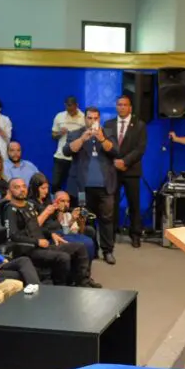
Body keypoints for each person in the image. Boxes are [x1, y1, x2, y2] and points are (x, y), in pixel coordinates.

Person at [6, 177, 97, 287]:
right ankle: (60, 287)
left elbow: (36, 227)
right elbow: (13, 236)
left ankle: (83, 283)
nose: (22, 189)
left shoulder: (28, 207)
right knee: (63, 257)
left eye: (23, 186)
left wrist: (51, 234)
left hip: (43, 244)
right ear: (10, 191)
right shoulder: (10, 210)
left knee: (80, 248)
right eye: (17, 187)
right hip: (28, 249)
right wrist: (37, 242)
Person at [68, 106, 119, 263]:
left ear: (99, 119)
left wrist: (102, 138)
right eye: (89, 118)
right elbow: (67, 150)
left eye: (95, 118)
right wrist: (83, 138)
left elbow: (116, 152)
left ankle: (108, 251)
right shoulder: (76, 133)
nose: (92, 121)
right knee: (86, 220)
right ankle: (92, 250)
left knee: (107, 219)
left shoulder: (109, 133)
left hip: (105, 186)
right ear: (85, 119)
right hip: (84, 187)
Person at [105, 94, 147, 248]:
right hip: (113, 170)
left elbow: (140, 148)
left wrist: (125, 162)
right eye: (119, 104)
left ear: (130, 107)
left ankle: (135, 234)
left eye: (124, 105)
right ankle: (112, 233)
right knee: (111, 204)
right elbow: (106, 146)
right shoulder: (108, 124)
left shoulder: (140, 125)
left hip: (132, 170)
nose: (121, 107)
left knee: (134, 204)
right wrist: (115, 162)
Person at [29, 173, 97, 263]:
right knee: (84, 244)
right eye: (43, 188)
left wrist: (69, 216)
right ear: (35, 188)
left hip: (59, 231)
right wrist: (48, 212)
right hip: (47, 235)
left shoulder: (47, 202)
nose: (46, 191)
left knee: (88, 240)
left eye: (47, 188)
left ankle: (84, 271)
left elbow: (58, 224)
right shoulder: (30, 204)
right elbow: (35, 227)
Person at [52, 190, 98, 263]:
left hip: (73, 237)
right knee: (86, 242)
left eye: (68, 201)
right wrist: (72, 220)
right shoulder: (52, 216)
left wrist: (81, 221)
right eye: (62, 201)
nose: (66, 204)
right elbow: (64, 232)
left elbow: (80, 233)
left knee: (89, 231)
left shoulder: (68, 214)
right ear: (55, 201)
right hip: (62, 239)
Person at [51, 96, 83, 195]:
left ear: (77, 105)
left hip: (77, 158)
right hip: (60, 156)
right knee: (55, 183)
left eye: (72, 110)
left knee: (77, 186)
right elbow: (53, 135)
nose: (70, 112)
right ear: (65, 106)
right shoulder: (59, 116)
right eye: (68, 109)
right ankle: (54, 206)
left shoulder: (84, 117)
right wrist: (60, 133)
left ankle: (76, 207)